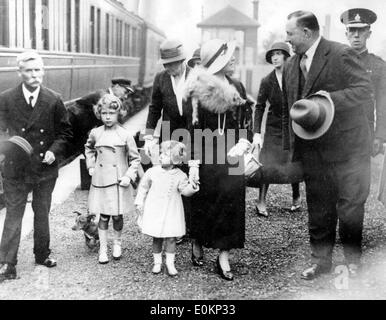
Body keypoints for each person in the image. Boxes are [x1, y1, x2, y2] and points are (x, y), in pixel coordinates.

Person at [282, 11, 373, 280]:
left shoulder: (340, 53)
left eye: (290, 34)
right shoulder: (290, 65)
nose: (287, 40)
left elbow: (363, 89)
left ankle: (352, 261)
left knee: (349, 209)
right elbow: (292, 108)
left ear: (307, 33)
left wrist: (326, 101)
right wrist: (293, 150)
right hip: (312, 150)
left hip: (348, 149)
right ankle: (320, 262)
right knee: (319, 207)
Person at [0, 51, 73, 282]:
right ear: (20, 72)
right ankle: (7, 264)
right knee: (13, 214)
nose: (34, 75)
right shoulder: (6, 99)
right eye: (29, 70)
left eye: (38, 70)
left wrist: (54, 151)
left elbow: (65, 132)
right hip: (16, 168)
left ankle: (42, 255)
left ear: (43, 71)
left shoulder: (53, 99)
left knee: (42, 213)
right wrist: (8, 147)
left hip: (43, 168)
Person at [186, 39, 253, 281]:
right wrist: (193, 164)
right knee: (205, 200)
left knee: (233, 201)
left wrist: (244, 142)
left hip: (233, 153)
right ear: (216, 62)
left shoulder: (238, 86)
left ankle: (224, 255)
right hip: (207, 153)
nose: (234, 60)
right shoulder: (197, 89)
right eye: (228, 57)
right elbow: (192, 129)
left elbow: (246, 119)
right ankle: (198, 240)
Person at [143, 39, 194, 245]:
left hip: (193, 132)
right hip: (169, 134)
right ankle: (174, 226)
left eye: (172, 63)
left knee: (190, 177)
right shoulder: (161, 79)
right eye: (165, 64)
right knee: (170, 177)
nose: (169, 68)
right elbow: (155, 107)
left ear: (182, 61)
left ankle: (190, 225)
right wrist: (148, 136)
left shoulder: (195, 76)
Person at [85, 94, 140, 264]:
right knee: (103, 217)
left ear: (119, 114)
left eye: (112, 113)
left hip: (118, 181)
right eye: (104, 113)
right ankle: (103, 248)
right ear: (99, 114)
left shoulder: (125, 134)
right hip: (101, 181)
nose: (108, 117)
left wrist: (129, 176)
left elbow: (135, 159)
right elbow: (89, 149)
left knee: (116, 216)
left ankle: (117, 242)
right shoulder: (96, 133)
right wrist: (91, 165)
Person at [135, 141, 198, 276]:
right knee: (157, 237)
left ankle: (170, 263)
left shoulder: (180, 175)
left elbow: (184, 191)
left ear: (175, 159)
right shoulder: (152, 171)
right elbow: (143, 187)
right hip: (155, 209)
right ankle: (157, 262)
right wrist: (139, 202)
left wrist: (192, 187)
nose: (161, 156)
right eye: (161, 153)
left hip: (172, 210)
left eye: (165, 155)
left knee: (170, 238)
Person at [253, 42, 302, 217]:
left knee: (294, 161)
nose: (275, 57)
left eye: (279, 54)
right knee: (267, 164)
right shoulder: (267, 81)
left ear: (286, 57)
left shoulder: (296, 77)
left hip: (293, 126)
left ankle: (296, 196)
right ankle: (261, 200)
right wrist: (257, 133)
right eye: (272, 54)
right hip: (273, 129)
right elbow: (259, 107)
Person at [340, 8, 386, 155]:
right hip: (338, 133)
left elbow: (382, 104)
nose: (356, 35)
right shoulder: (336, 63)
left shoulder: (379, 65)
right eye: (352, 30)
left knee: (362, 177)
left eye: (361, 30)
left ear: (369, 33)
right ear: (346, 34)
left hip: (365, 133)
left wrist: (379, 136)